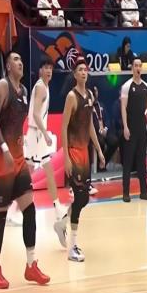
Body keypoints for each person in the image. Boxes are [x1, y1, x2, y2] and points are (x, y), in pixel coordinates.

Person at [0, 51, 50, 289]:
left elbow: (17, 123)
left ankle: (31, 265)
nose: (20, 62)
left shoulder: (24, 91)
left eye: (21, 59)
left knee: (30, 209)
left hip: (18, 157)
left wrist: (20, 141)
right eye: (15, 59)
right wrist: (4, 148)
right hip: (1, 157)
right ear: (7, 66)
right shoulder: (3, 86)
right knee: (1, 214)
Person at [61, 57, 105, 261]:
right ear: (74, 74)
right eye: (80, 70)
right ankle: (73, 247)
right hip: (73, 152)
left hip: (85, 152)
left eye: (85, 69)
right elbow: (63, 127)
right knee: (79, 197)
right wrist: (66, 157)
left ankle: (62, 222)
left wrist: (99, 151)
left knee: (84, 198)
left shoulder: (89, 95)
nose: (83, 72)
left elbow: (89, 126)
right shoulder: (72, 97)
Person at [25, 57, 68, 247]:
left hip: (36, 134)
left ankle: (57, 208)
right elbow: (35, 114)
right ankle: (56, 208)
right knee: (31, 173)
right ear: (40, 70)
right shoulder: (41, 87)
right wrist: (45, 133)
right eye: (46, 67)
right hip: (36, 133)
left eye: (51, 67)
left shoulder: (44, 86)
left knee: (40, 171)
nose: (49, 70)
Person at [120, 58, 147, 202]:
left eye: (140, 66)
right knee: (128, 160)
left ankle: (144, 191)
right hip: (131, 126)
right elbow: (123, 107)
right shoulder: (127, 86)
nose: (138, 68)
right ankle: (125, 192)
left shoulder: (146, 86)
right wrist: (125, 127)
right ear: (132, 68)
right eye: (135, 66)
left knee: (141, 159)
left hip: (141, 126)